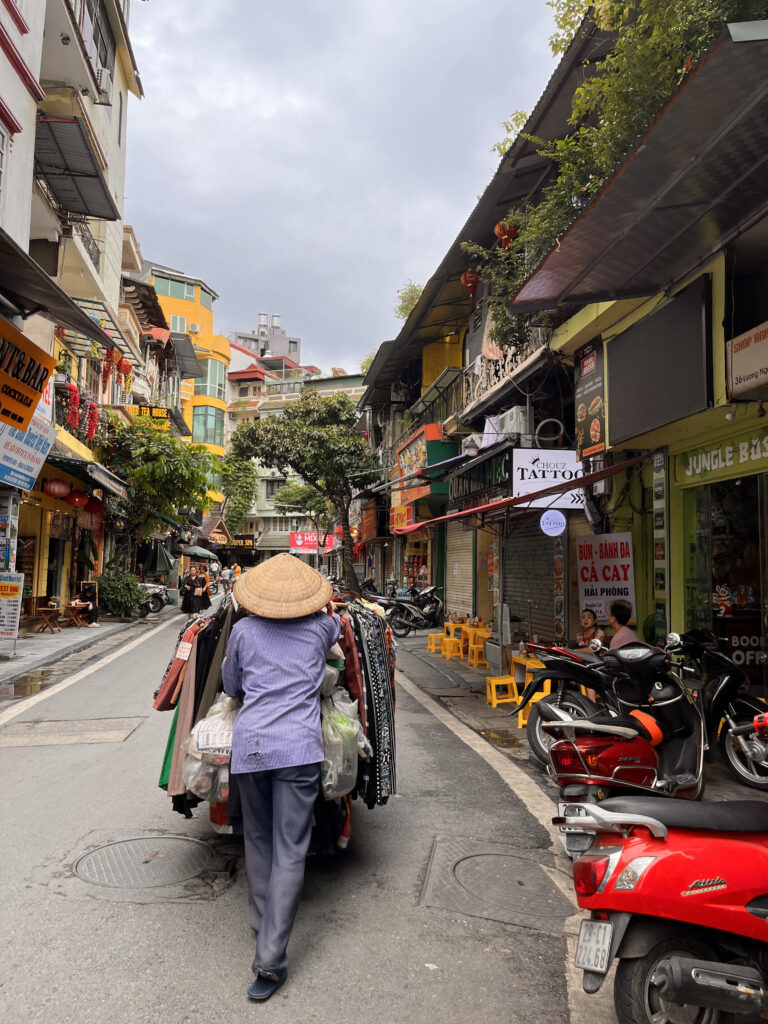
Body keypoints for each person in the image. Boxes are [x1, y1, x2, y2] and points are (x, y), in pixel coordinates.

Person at [222, 553, 340, 1002]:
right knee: (292, 850)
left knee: (259, 840)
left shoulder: (244, 631)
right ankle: (270, 959)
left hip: (252, 747)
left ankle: (262, 926)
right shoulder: (319, 629)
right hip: (299, 749)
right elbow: (335, 628)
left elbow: (232, 686)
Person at [575, 608, 606, 701]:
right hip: (585, 664)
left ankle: (592, 705)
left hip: (600, 664)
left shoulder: (599, 633)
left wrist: (573, 650)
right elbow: (581, 650)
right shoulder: (579, 635)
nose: (585, 619)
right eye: (583, 617)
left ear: (595, 620)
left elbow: (591, 650)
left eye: (589, 617)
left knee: (588, 678)